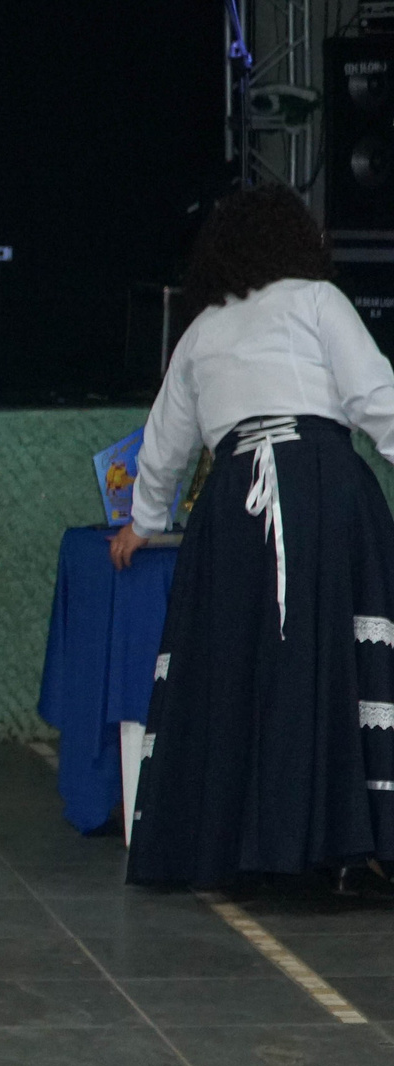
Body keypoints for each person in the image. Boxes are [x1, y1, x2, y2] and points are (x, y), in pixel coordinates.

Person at [114, 185, 394, 888]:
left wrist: (142, 523)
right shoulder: (317, 301)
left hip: (235, 504)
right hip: (323, 487)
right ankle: (349, 841)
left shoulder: (203, 327)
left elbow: (165, 442)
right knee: (330, 658)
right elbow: (376, 399)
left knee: (245, 662)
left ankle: (246, 845)